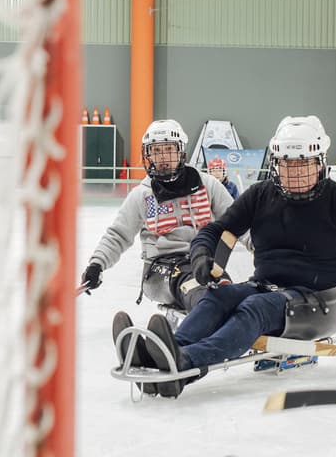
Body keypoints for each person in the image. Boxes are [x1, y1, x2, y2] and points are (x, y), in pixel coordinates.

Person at [127, 115, 336, 398]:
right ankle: (168, 350)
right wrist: (202, 254)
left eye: (304, 164)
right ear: (275, 164)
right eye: (287, 164)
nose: (295, 173)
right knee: (218, 296)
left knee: (256, 308)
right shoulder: (262, 195)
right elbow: (216, 230)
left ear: (320, 163)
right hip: (267, 286)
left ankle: (186, 361)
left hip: (320, 301)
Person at [82, 119, 235, 314]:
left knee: (228, 293)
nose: (163, 157)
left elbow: (238, 219)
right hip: (160, 268)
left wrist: (259, 246)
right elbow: (118, 235)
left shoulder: (207, 185)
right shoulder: (142, 195)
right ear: (149, 155)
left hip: (204, 261)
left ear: (181, 151)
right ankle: (197, 327)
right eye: (156, 151)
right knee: (201, 295)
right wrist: (96, 264)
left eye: (169, 149)